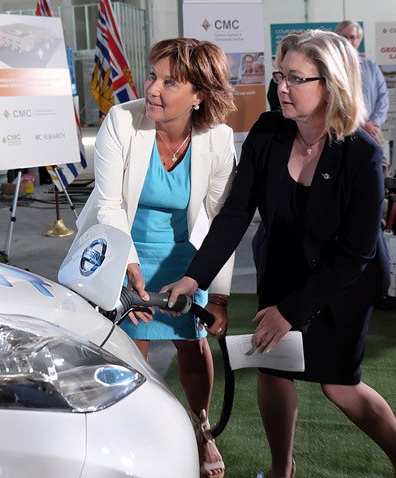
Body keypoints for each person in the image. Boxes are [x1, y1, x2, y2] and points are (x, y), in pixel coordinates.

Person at [164, 30, 396, 478]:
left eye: (295, 78)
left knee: (339, 387)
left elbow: (355, 254)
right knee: (273, 370)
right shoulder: (268, 132)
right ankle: (279, 470)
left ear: (331, 85)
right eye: (279, 75)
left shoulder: (363, 154)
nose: (281, 88)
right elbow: (234, 214)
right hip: (283, 266)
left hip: (343, 281)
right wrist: (196, 278)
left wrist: (290, 311)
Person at [73, 37, 237, 478]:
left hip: (184, 255)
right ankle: (130, 431)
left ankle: (202, 430)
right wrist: (128, 268)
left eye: (170, 82)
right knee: (128, 346)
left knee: (192, 343)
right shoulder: (121, 121)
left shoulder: (218, 138)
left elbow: (224, 221)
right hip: (120, 247)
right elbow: (108, 205)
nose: (153, 89)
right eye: (152, 76)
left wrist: (218, 296)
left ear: (200, 95)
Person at [335, 20, 390, 174]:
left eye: (353, 37)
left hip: (373, 130)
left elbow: (383, 98)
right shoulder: (332, 69)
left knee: (378, 170)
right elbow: (335, 101)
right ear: (337, 38)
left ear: (359, 40)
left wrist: (373, 123)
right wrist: (359, 125)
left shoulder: (371, 67)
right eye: (344, 37)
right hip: (344, 130)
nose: (349, 41)